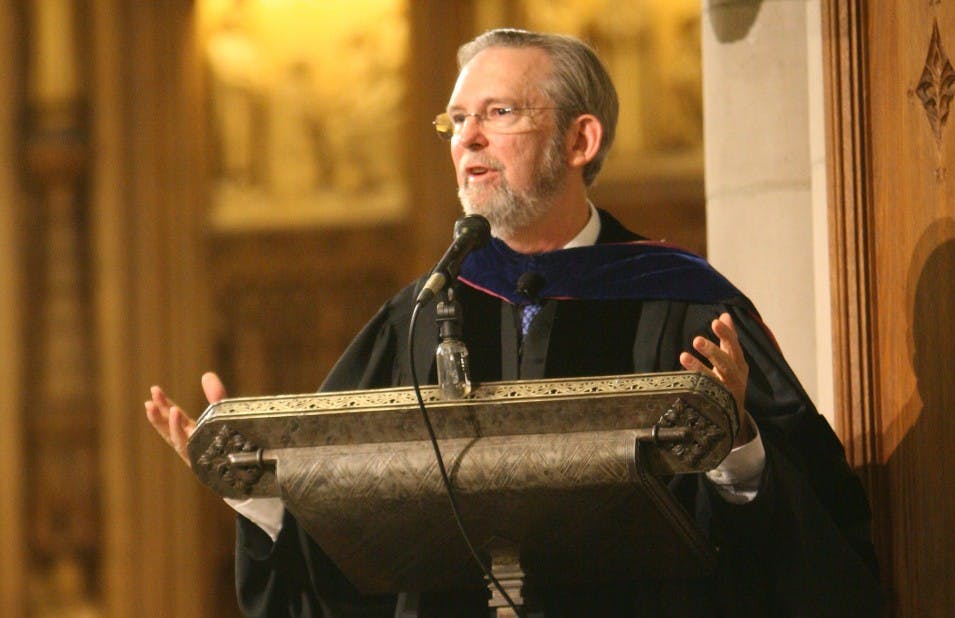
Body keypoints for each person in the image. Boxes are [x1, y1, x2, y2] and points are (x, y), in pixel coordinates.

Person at [147, 29, 881, 617]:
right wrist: (260, 487)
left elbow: (813, 546)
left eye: (497, 114)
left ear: (579, 140)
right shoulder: (419, 313)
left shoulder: (684, 304)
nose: (466, 139)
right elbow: (348, 551)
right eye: (456, 120)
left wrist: (737, 444)